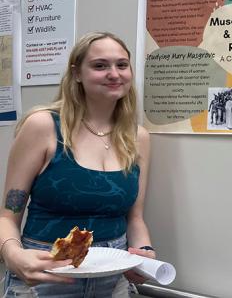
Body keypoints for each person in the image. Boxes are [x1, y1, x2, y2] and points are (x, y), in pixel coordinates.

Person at [0, 32, 155, 297]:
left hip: (112, 278)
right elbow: (7, 215)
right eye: (100, 65)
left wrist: (145, 254)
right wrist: (14, 255)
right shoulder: (44, 126)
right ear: (77, 74)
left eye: (121, 64)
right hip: (47, 275)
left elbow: (135, 218)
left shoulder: (137, 137)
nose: (114, 73)